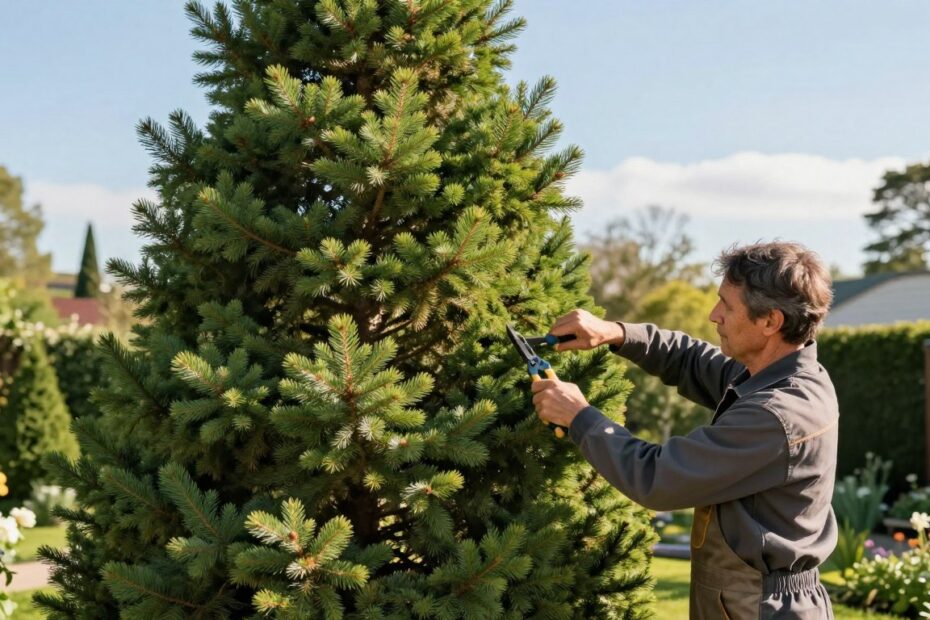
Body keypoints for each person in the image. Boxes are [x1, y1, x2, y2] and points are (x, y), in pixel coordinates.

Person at [532, 241, 838, 619]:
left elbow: (659, 478)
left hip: (761, 608)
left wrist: (579, 416)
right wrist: (616, 333)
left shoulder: (778, 414)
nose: (714, 315)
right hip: (743, 598)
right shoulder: (773, 375)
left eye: (727, 305)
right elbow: (691, 359)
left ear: (770, 322)